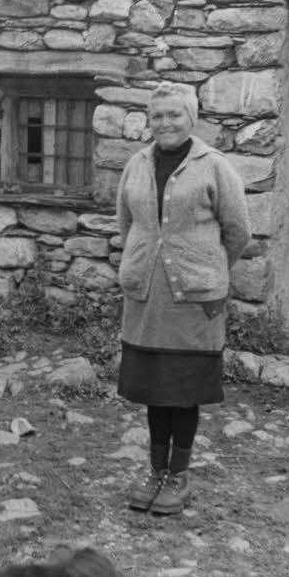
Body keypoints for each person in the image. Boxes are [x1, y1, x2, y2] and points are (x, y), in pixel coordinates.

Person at [116, 84, 251, 516]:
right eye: (157, 116)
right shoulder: (136, 165)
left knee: (183, 388)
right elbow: (128, 226)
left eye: (174, 115)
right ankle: (156, 471)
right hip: (147, 295)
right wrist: (143, 264)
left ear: (191, 118)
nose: (165, 124)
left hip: (194, 299)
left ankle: (179, 475)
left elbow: (238, 232)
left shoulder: (215, 167)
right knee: (156, 387)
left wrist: (207, 269)